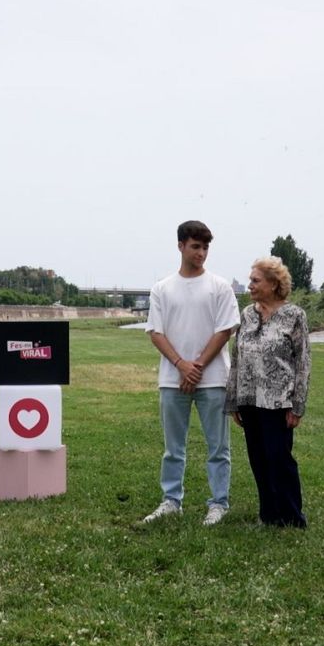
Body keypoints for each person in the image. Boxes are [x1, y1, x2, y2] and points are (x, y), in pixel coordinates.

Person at [142, 220, 241, 526]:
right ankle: (171, 501)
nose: (201, 253)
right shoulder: (162, 289)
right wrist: (181, 365)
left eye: (206, 247)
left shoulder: (220, 287)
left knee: (218, 447)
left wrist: (195, 366)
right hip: (172, 381)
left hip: (212, 380)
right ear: (181, 246)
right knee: (173, 447)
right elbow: (155, 332)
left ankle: (218, 503)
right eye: (196, 246)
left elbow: (225, 330)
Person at [227, 256, 311, 527]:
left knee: (280, 460)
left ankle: (292, 517)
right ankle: (268, 515)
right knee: (259, 460)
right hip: (249, 398)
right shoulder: (247, 315)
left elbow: (303, 362)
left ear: (274, 284)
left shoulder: (295, 316)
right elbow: (236, 357)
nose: (250, 285)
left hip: (278, 401)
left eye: (255, 280)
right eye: (250, 280)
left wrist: (297, 405)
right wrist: (233, 401)